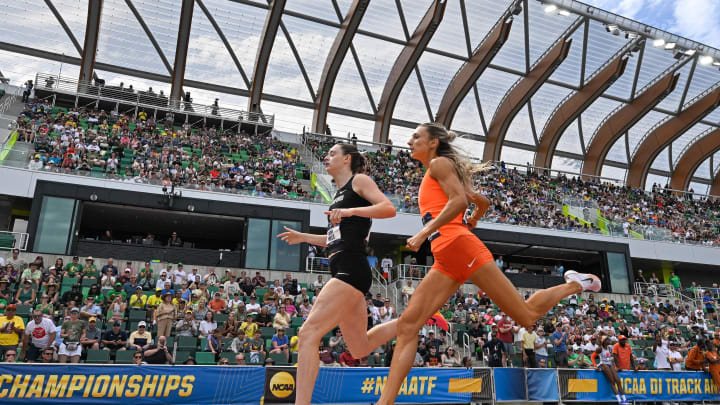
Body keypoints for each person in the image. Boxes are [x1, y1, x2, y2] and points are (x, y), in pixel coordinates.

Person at [377, 123, 600, 405]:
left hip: (459, 246)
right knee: (408, 326)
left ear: (433, 142)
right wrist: (475, 218)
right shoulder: (441, 169)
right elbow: (479, 201)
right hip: (446, 256)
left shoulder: (439, 164)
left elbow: (459, 201)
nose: (410, 141)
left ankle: (575, 284)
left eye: (416, 136)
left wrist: (424, 232)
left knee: (528, 317)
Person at [277, 143, 398, 405]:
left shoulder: (360, 181)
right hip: (350, 270)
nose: (326, 156)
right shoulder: (339, 195)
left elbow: (389, 209)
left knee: (308, 334)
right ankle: (412, 320)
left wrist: (351, 211)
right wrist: (302, 237)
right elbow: (335, 238)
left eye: (333, 153)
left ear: (348, 159)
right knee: (359, 348)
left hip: (350, 270)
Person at [594, 336, 629, 404]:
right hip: (603, 364)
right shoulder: (600, 348)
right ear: (604, 342)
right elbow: (593, 355)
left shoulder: (610, 348)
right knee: (612, 381)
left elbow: (614, 346)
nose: (608, 341)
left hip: (609, 363)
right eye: (607, 340)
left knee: (618, 381)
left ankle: (624, 399)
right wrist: (596, 366)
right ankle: (619, 400)